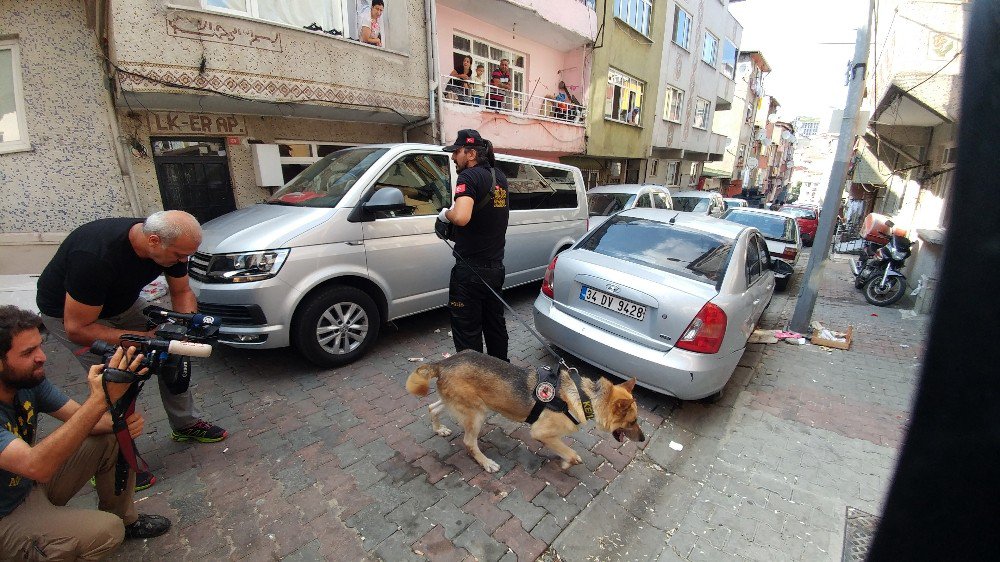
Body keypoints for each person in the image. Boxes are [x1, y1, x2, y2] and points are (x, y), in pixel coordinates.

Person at [35, 211, 228, 492]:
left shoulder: (171, 244)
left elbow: (182, 292)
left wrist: (182, 331)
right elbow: (78, 328)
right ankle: (113, 460)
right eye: (178, 256)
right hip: (71, 317)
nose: (182, 262)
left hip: (122, 304)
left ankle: (185, 424)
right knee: (117, 379)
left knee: (173, 351)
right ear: (153, 242)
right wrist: (144, 339)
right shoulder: (95, 257)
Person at [0, 306, 171, 559]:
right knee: (106, 533)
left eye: (39, 346)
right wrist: (99, 400)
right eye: (28, 352)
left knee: (111, 435)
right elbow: (37, 466)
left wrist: (118, 415)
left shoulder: (27, 381)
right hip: (7, 514)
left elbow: (85, 420)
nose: (42, 357)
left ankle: (126, 519)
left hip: (26, 485)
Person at [438, 130, 510, 361]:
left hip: (469, 273)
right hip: (495, 269)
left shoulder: (468, 177)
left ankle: (474, 382)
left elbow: (462, 217)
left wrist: (445, 214)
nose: (452, 158)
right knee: (494, 327)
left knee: (467, 334)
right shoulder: (499, 177)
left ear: (470, 154)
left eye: (456, 152)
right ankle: (501, 376)